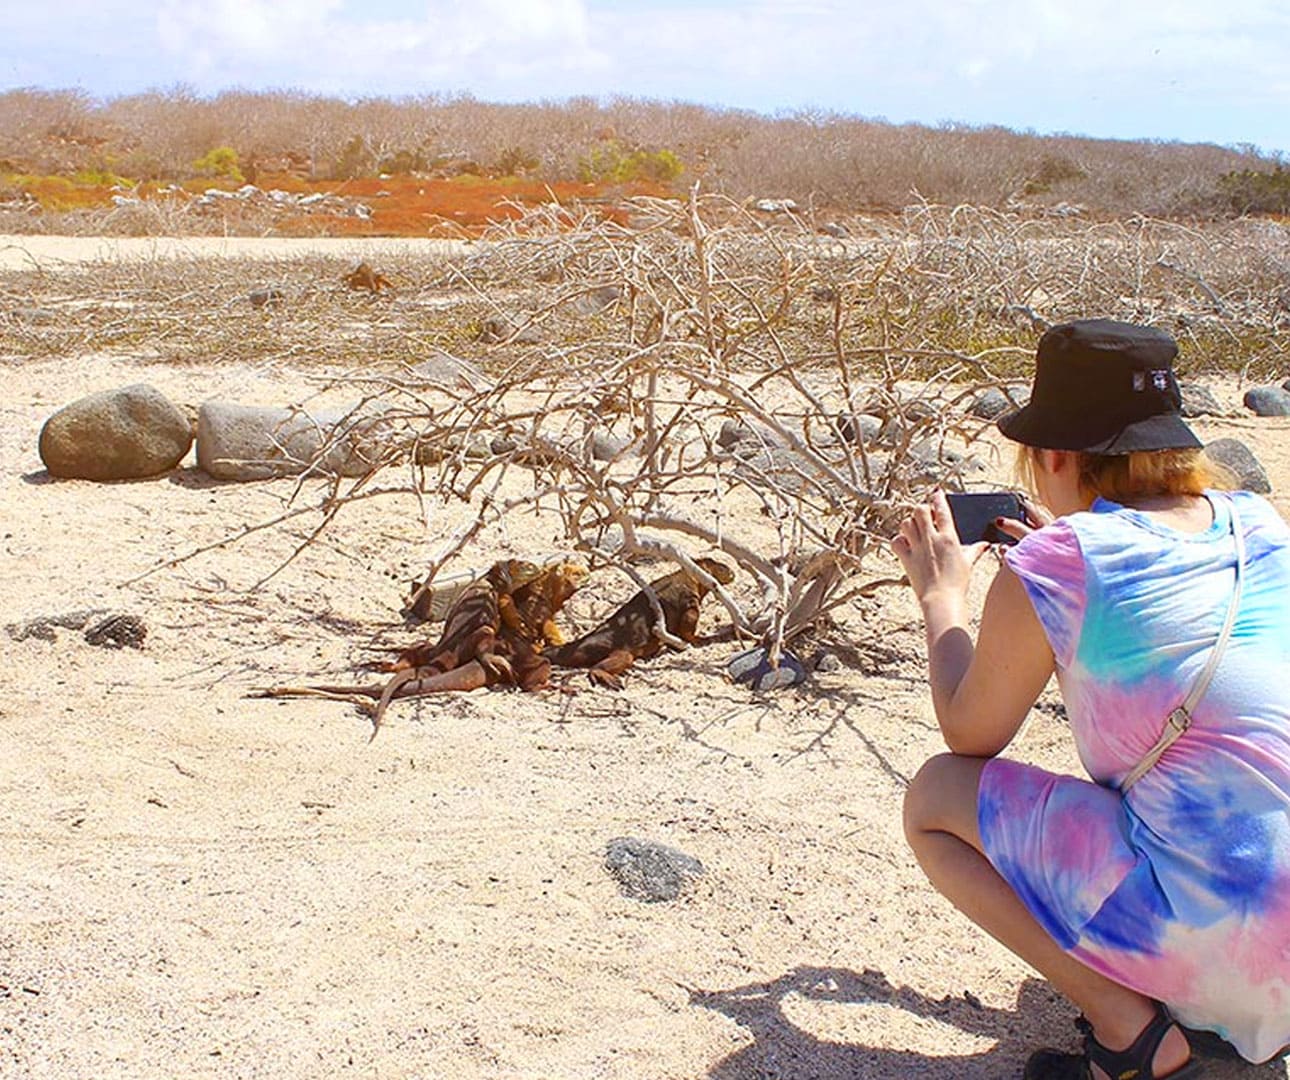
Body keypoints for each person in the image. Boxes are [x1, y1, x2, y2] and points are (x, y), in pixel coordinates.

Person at [892, 319, 1290, 1079]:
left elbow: (970, 733)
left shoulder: (1061, 561)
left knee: (935, 797)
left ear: (1054, 455)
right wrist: (1066, 543)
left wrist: (943, 599)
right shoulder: (1260, 526)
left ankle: (1134, 1042)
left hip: (1236, 948)